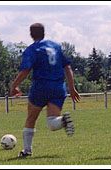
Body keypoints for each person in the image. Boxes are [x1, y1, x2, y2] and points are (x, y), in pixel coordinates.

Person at [10, 23, 80, 158]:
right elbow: (68, 67)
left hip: (41, 86)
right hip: (59, 87)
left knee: (31, 118)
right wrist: (72, 87)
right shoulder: (55, 46)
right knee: (52, 123)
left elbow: (25, 71)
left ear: (31, 34)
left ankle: (27, 151)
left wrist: (13, 86)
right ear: (44, 33)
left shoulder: (32, 49)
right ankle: (63, 121)